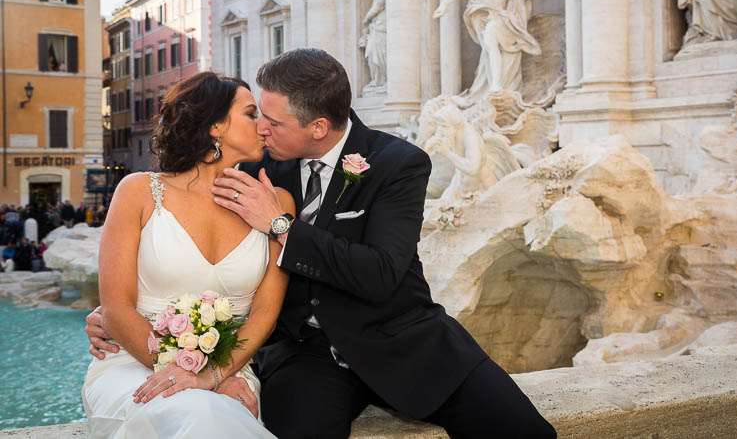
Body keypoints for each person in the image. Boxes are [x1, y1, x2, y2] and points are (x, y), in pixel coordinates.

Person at [88, 48, 556, 438]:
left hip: (403, 340)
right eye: (256, 116)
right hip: (303, 356)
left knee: (526, 434)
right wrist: (124, 312)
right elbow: (174, 236)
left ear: (316, 127)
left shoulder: (397, 163)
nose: (262, 129)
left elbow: (380, 273)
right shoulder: (253, 169)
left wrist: (281, 226)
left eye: (270, 120)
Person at [81, 72, 294, 438]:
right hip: (134, 364)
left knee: (209, 413)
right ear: (215, 126)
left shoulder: (277, 203)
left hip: (231, 370)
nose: (263, 125)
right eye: (250, 113)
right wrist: (197, 379)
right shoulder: (138, 192)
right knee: (200, 413)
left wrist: (212, 375)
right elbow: (115, 307)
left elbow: (265, 313)